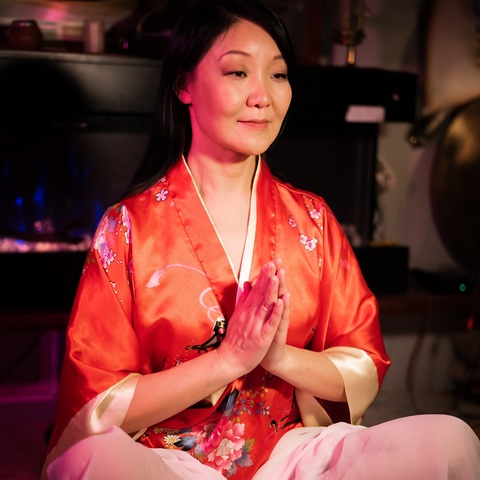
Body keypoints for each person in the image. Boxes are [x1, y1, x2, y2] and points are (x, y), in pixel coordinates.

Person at [42, 0, 480, 478]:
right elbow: (97, 402)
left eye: (278, 75)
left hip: (288, 456)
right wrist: (227, 360)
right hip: (167, 462)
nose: (263, 97)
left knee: (450, 439)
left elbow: (363, 363)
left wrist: (281, 358)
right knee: (88, 461)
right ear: (184, 85)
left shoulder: (312, 220)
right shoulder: (128, 227)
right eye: (237, 72)